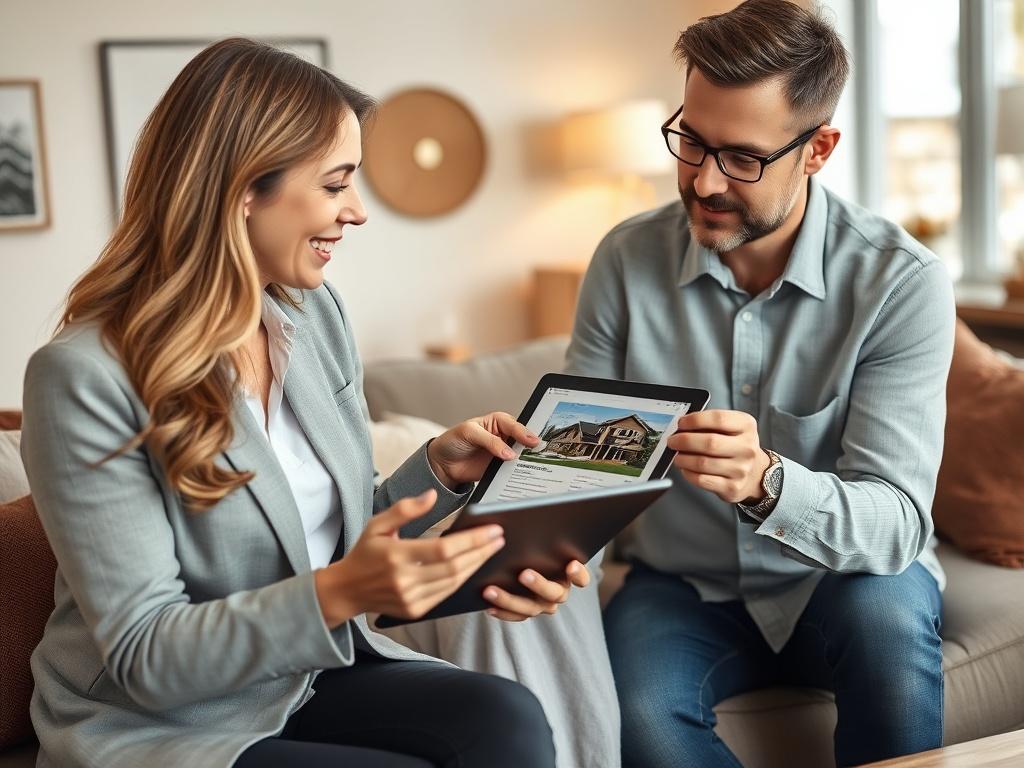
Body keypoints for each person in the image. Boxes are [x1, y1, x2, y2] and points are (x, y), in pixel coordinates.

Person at [20, 38, 591, 768]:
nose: (357, 211)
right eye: (335, 184)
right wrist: (336, 594)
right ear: (242, 188)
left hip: (304, 676)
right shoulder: (83, 376)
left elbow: (324, 544)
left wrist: (438, 472)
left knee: (503, 716)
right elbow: (144, 653)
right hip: (167, 719)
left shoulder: (312, 315)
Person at [564, 2, 955, 766]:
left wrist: (768, 483)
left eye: (742, 157)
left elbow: (897, 523)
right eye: (692, 141)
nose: (705, 180)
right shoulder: (623, 260)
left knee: (888, 629)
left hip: (843, 577)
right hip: (682, 585)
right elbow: (582, 472)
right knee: (637, 716)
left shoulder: (900, 282)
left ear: (818, 150)